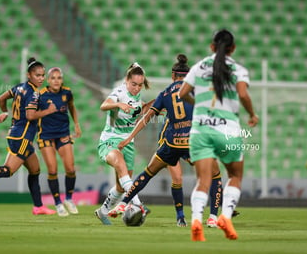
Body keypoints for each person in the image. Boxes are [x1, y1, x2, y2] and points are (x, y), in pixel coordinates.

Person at [108, 54, 225, 227]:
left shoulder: (165, 93)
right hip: (193, 142)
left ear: (172, 76)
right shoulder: (198, 90)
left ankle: (124, 203)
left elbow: (146, 118)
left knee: (148, 173)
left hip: (172, 143)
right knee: (215, 175)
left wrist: (129, 138)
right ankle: (213, 218)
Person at [179, 28, 259, 241]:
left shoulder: (198, 66)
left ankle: (196, 220)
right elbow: (242, 93)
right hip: (227, 130)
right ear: (233, 48)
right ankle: (225, 216)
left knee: (203, 181)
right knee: (234, 176)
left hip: (201, 130)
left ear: (211, 47)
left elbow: (182, 93)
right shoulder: (238, 69)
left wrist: (199, 107)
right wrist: (252, 114)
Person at [0, 57, 57, 215]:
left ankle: (38, 206)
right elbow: (30, 116)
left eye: (42, 75)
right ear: (29, 75)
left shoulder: (19, 88)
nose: (41, 78)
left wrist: (5, 112)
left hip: (17, 135)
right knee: (8, 171)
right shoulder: (33, 93)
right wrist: (48, 111)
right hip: (22, 137)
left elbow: (1, 98)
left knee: (35, 170)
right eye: (38, 75)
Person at [94, 62, 151, 225]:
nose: (137, 88)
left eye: (140, 85)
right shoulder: (119, 92)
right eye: (134, 84)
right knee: (120, 164)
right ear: (126, 80)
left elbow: (139, 110)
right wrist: (118, 104)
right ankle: (139, 205)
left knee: (121, 186)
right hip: (110, 141)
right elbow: (103, 105)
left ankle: (102, 212)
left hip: (128, 144)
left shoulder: (138, 96)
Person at [37, 67, 82, 216]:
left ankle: (68, 199)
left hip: (63, 134)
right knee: (52, 170)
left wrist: (76, 124)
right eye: (53, 78)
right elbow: (31, 113)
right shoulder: (40, 95)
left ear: (62, 80)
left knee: (70, 169)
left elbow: (72, 107)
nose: (56, 81)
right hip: (46, 136)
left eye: (59, 78)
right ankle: (57, 203)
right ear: (48, 80)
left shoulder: (67, 93)